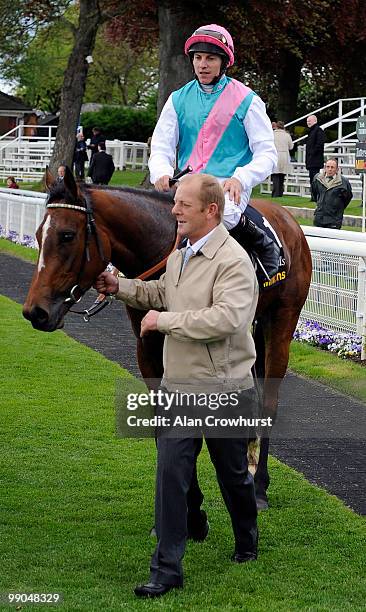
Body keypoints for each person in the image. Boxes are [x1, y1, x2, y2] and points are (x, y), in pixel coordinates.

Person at [94, 174, 259, 598]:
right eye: (175, 203)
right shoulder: (180, 255)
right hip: (177, 389)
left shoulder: (235, 261)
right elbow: (162, 293)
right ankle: (166, 569)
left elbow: (228, 319)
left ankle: (247, 538)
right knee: (170, 474)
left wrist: (163, 323)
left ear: (211, 211)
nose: (174, 211)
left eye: (183, 205)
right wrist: (120, 288)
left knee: (234, 474)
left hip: (225, 391)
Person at [148, 24, 279, 280]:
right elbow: (161, 145)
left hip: (228, 186)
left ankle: (262, 245)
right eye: (198, 58)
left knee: (222, 213)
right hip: (187, 184)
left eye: (210, 58)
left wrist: (242, 177)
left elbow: (267, 153)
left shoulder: (248, 100)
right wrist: (162, 172)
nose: (203, 65)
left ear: (224, 62)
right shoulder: (177, 99)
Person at [312, 158, 353, 229]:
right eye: (328, 167)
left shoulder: (344, 182)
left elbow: (348, 197)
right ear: (325, 168)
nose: (330, 169)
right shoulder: (317, 179)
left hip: (334, 220)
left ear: (337, 169)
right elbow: (314, 193)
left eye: (332, 167)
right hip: (319, 218)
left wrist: (337, 208)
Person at [271, 121, 293, 197]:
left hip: (275, 155)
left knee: (275, 175)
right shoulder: (287, 135)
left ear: (276, 126)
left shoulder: (272, 134)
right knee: (282, 175)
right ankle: (280, 192)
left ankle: (275, 193)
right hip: (284, 156)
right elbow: (291, 146)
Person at [305, 114, 325, 201]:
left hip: (315, 160)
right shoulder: (311, 132)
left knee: (315, 179)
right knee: (312, 179)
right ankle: (313, 196)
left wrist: (312, 154)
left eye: (310, 121)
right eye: (307, 121)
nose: (308, 122)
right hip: (311, 160)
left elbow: (319, 145)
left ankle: (316, 196)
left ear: (315, 121)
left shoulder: (318, 131)